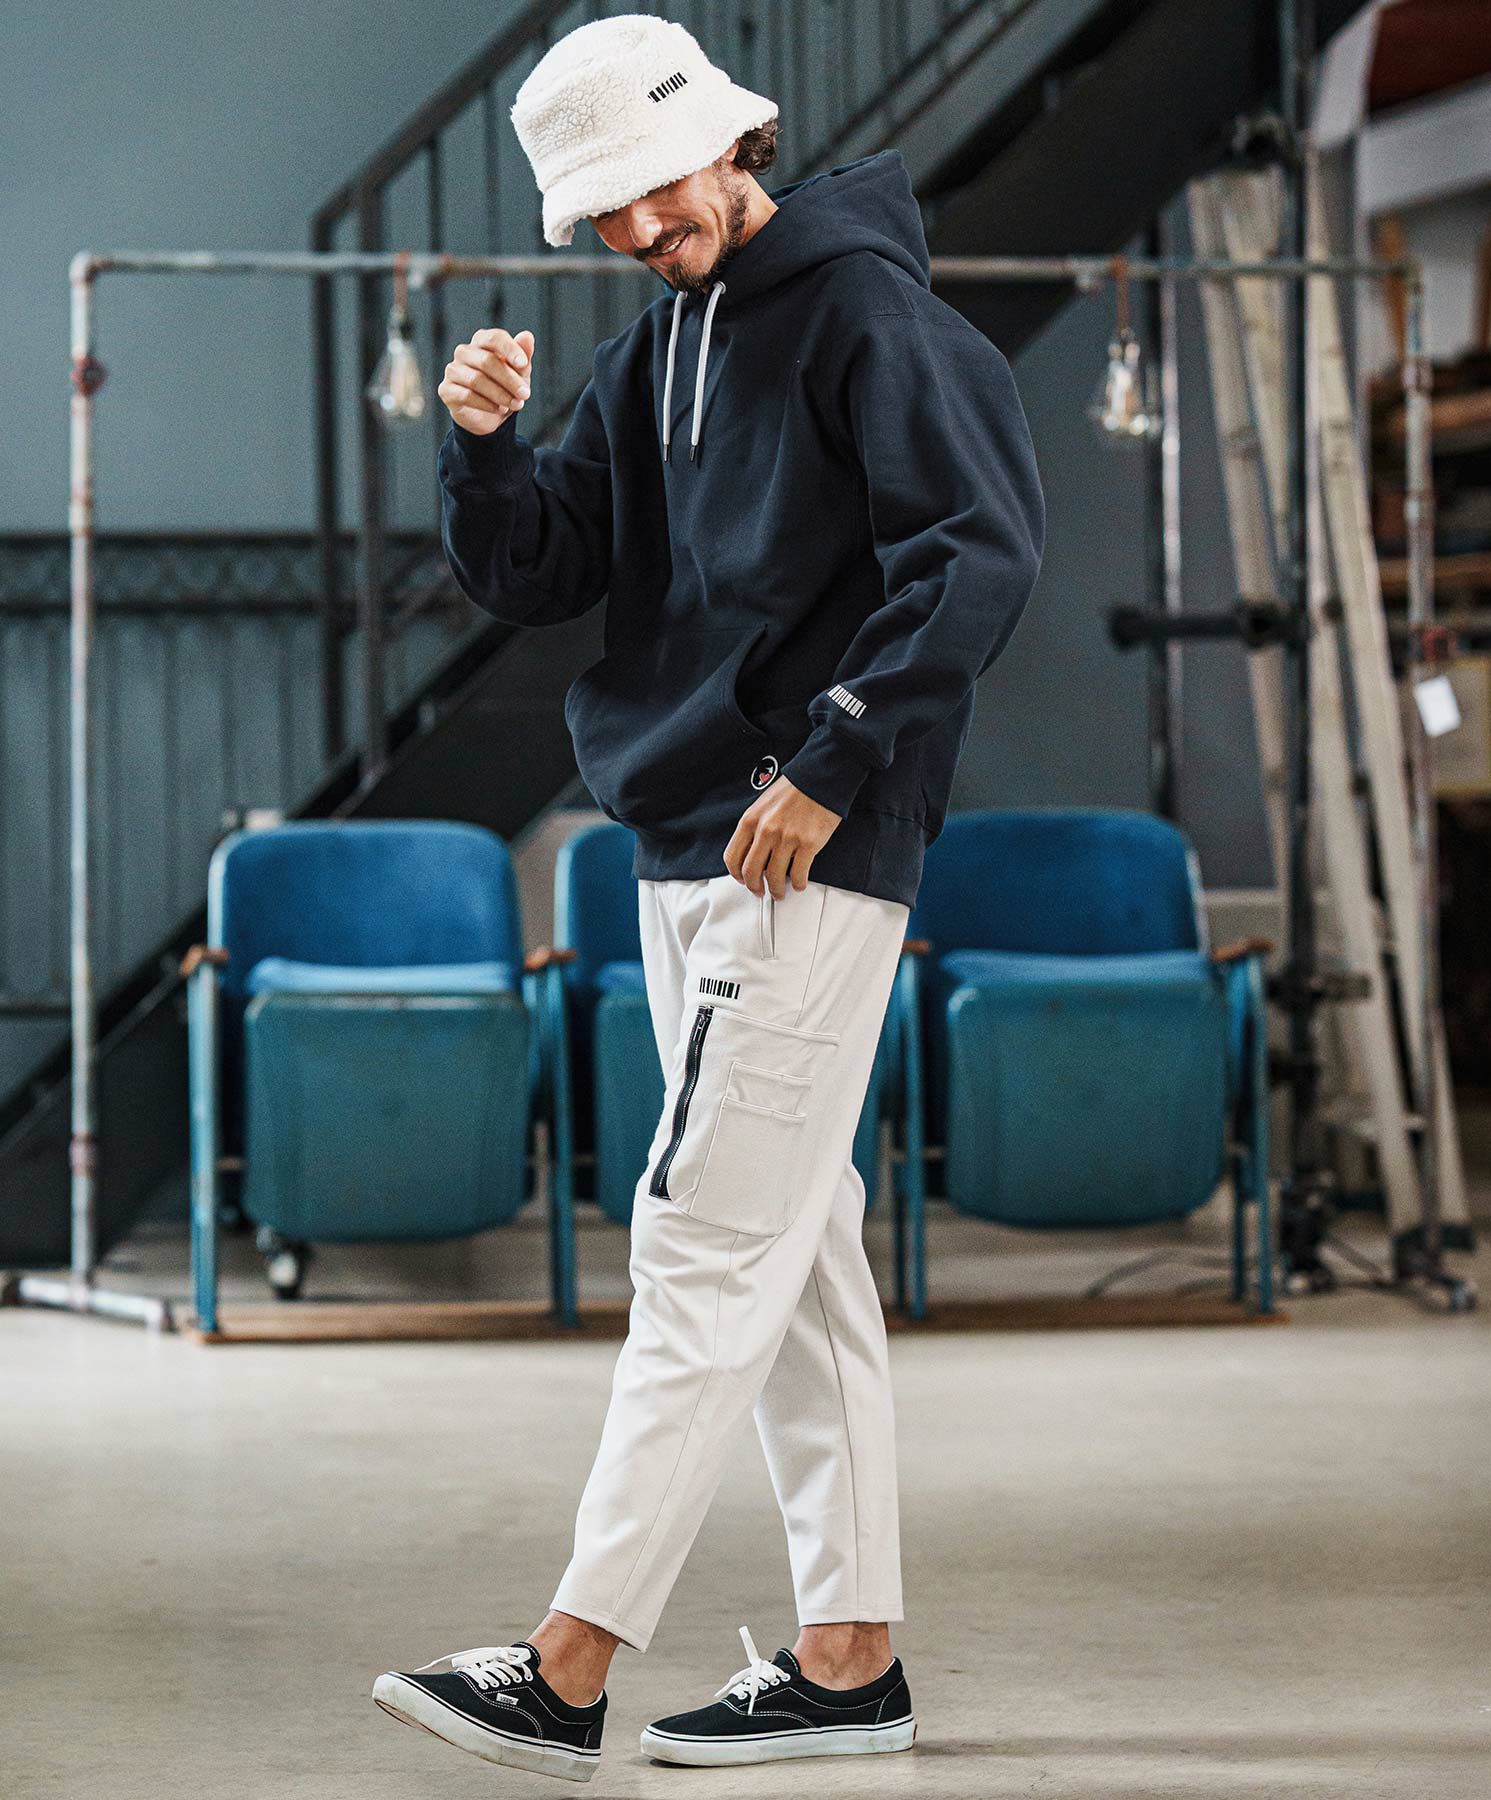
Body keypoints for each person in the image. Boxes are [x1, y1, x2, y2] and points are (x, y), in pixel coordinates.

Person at [371, 11, 1044, 1782]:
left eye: (653, 190)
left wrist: (835, 760)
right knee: (793, 1259)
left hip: (802, 845)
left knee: (701, 1243)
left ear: (729, 141)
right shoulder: (657, 345)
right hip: (684, 846)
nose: (636, 230)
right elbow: (546, 571)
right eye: (601, 213)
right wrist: (484, 448)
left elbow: (978, 550)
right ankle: (849, 1665)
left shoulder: (868, 314)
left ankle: (567, 1667)